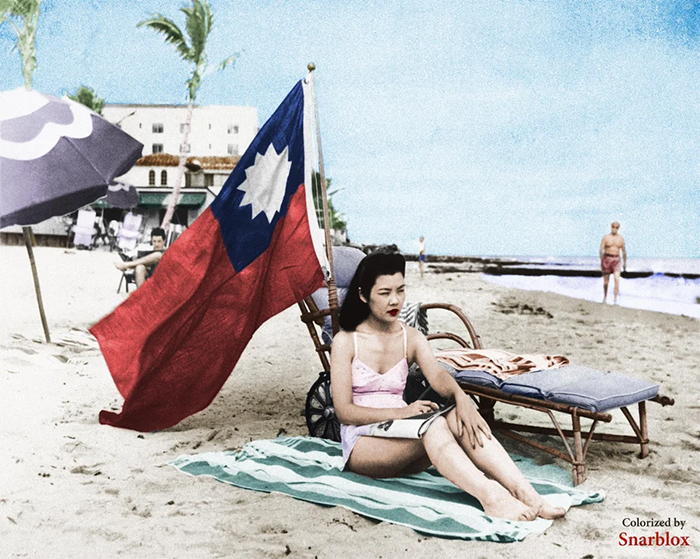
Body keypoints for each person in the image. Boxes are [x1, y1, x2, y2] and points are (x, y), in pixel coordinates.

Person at [330, 250, 566, 521]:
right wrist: (401, 412)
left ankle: (526, 493)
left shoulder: (412, 337)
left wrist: (461, 397)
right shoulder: (346, 341)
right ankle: (491, 497)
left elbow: (439, 377)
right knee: (434, 424)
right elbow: (344, 412)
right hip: (365, 446)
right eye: (384, 293)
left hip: (408, 438)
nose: (394, 300)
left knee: (458, 417)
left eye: (401, 290)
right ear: (363, 295)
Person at [599, 221, 627, 304]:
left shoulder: (620, 239)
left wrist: (625, 263)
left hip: (616, 260)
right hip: (607, 259)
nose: (615, 229)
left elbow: (624, 251)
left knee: (616, 280)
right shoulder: (606, 237)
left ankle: (615, 299)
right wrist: (602, 260)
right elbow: (601, 249)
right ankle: (605, 297)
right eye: (613, 227)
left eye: (616, 227)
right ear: (611, 227)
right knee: (606, 282)